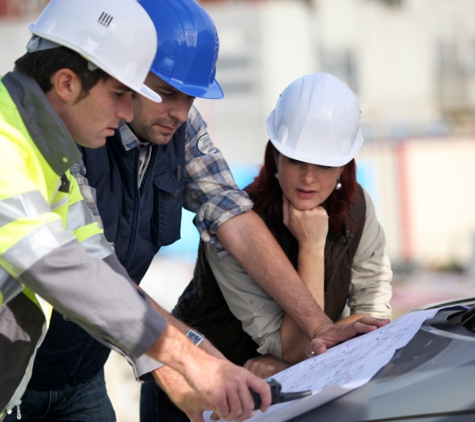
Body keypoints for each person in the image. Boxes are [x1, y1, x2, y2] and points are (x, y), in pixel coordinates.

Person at [13, 1, 389, 421]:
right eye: (153, 92)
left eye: (189, 98)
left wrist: (317, 327)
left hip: (79, 373)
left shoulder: (163, 125)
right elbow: (93, 275)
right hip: (23, 375)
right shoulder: (36, 148)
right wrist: (188, 367)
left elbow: (227, 212)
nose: (181, 112)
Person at [0, 0, 273, 420]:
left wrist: (193, 359)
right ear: (68, 83)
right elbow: (57, 264)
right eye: (119, 94)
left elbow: (98, 265)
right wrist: (190, 359)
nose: (128, 112)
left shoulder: (54, 162)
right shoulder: (4, 145)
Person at [159, 72, 394, 419]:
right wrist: (312, 247)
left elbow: (376, 320)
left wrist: (289, 363)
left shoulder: (358, 209)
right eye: (297, 160)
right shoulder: (235, 225)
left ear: (344, 165)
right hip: (197, 401)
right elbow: (298, 348)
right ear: (275, 156)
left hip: (287, 393)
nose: (309, 177)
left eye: (325, 164)